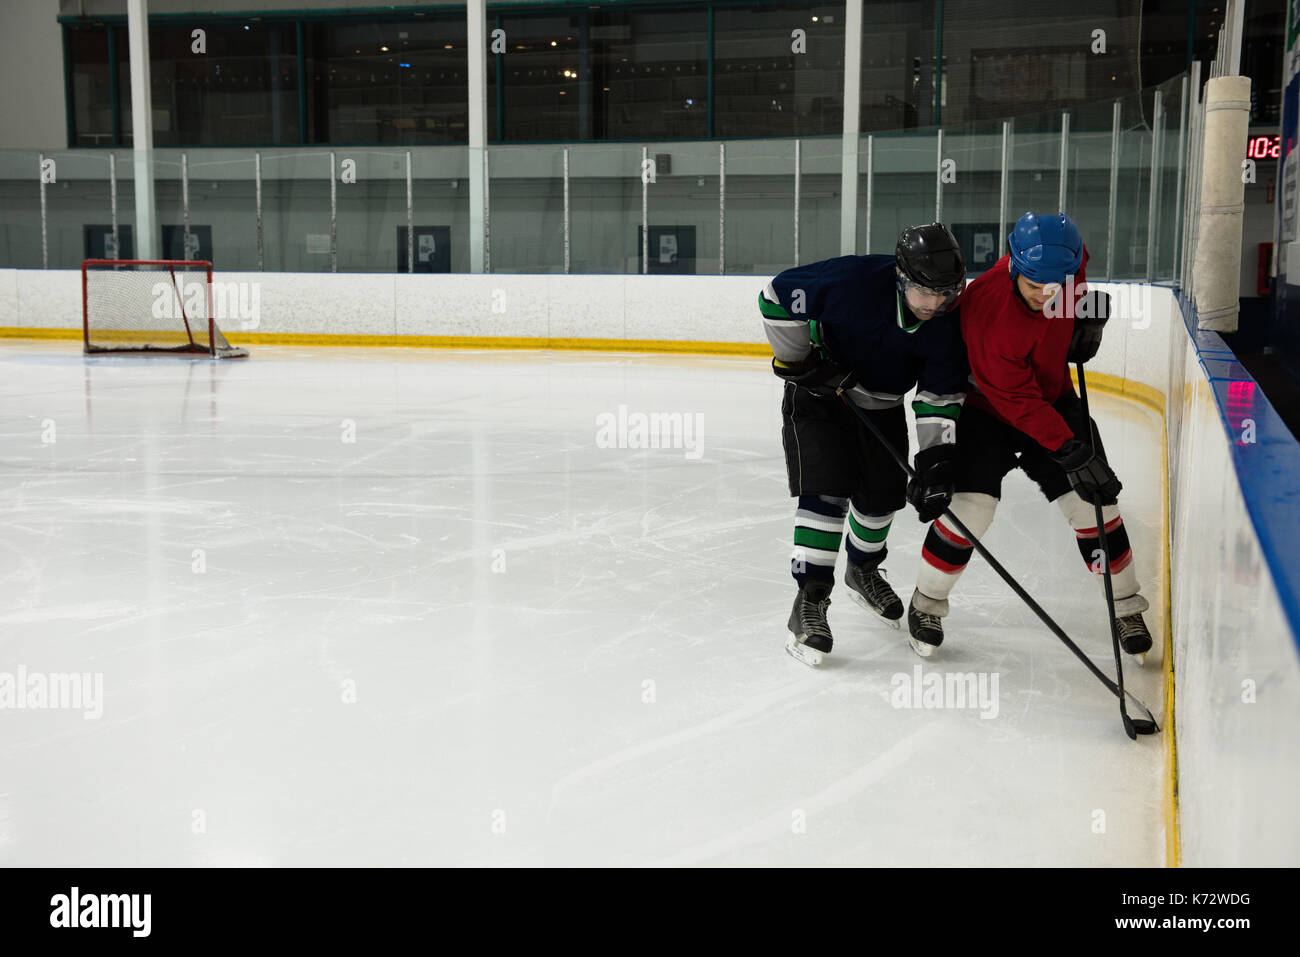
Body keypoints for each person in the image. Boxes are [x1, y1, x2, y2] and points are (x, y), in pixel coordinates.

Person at [908, 211, 1154, 662]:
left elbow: (1079, 275)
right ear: (1016, 267)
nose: (1045, 295)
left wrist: (1086, 320)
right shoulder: (989, 312)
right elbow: (1016, 400)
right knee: (970, 510)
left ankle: (1125, 604)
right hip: (989, 410)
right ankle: (926, 604)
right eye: (1034, 286)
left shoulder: (1066, 267)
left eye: (1055, 288)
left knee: (1094, 503)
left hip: (1054, 398)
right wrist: (1069, 450)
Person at [759, 223, 969, 666]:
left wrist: (936, 460)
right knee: (826, 493)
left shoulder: (949, 322)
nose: (935, 304)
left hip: (882, 404)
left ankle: (862, 570)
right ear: (900, 277)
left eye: (946, 293)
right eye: (924, 292)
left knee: (880, 500)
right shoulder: (851, 281)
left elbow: (938, 395)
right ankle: (810, 600)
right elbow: (776, 296)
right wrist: (800, 362)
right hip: (818, 396)